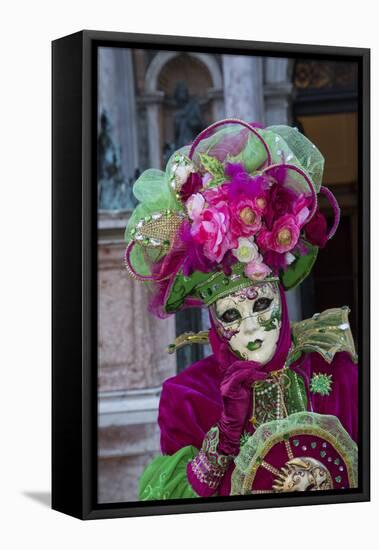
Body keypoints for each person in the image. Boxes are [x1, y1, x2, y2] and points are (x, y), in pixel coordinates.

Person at [124, 119, 358, 499]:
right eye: (231, 315)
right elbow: (170, 508)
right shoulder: (189, 397)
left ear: (280, 297)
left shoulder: (336, 367)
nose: (251, 329)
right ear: (213, 321)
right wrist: (223, 439)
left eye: (262, 304)